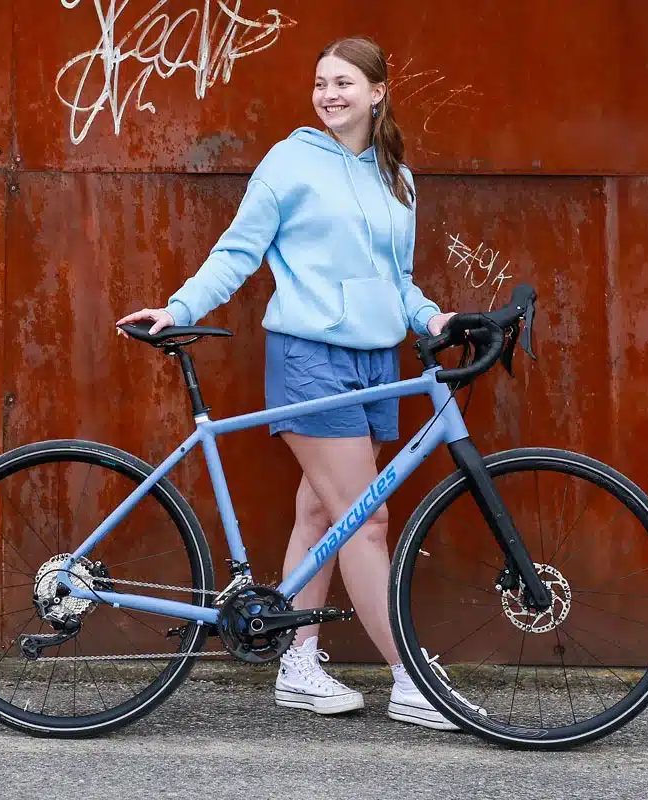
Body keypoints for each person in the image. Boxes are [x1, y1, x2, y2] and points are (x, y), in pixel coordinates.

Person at [115, 36, 462, 730]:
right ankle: (412, 680)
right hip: (311, 358)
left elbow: (395, 282)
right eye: (320, 83)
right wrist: (178, 308)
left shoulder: (398, 177)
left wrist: (435, 317)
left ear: (377, 91)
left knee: (321, 514)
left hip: (374, 362)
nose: (329, 95)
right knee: (367, 519)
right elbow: (237, 253)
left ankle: (298, 662)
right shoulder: (290, 163)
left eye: (343, 83)